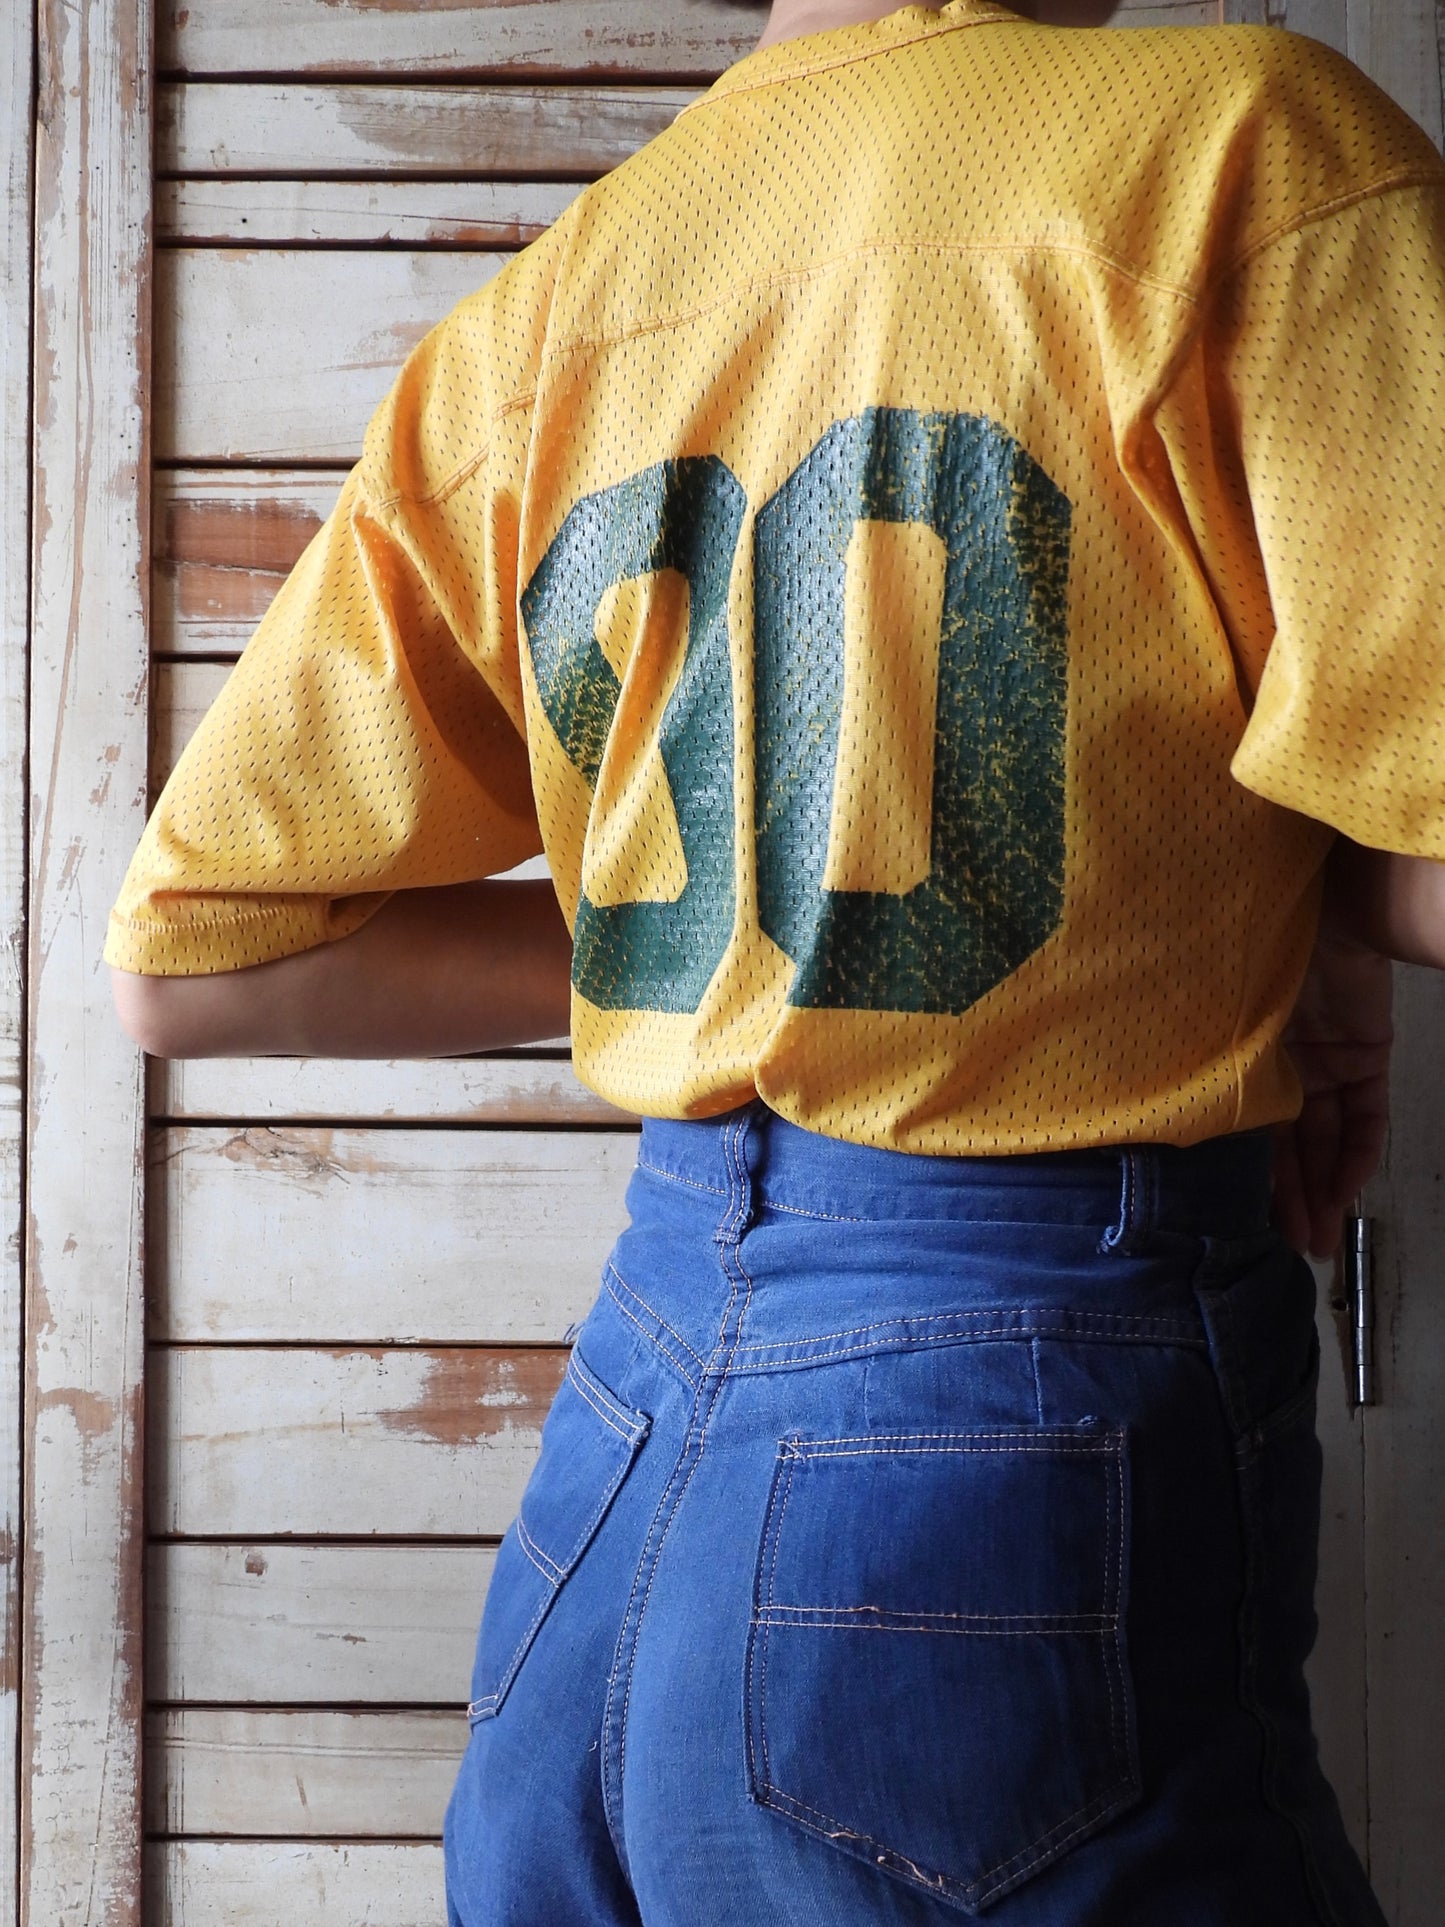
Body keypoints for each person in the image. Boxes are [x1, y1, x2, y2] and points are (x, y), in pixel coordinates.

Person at [109, 0, 1445, 1920]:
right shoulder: (1239, 148)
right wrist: (1272, 890)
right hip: (1004, 1445)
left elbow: (195, 965)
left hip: (624, 1466)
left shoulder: (567, 295)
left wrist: (752, 913)